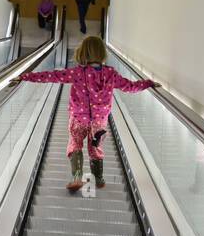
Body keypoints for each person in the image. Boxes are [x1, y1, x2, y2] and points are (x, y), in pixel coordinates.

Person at [13, 36, 156, 191]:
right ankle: (98, 179)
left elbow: (51, 76)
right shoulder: (110, 74)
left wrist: (25, 76)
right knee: (96, 148)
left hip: (78, 119)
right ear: (102, 53)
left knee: (75, 144)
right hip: (99, 122)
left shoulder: (77, 73)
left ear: (83, 53)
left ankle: (77, 177)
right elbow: (130, 86)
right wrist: (148, 83)